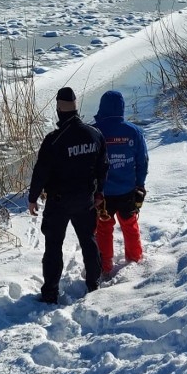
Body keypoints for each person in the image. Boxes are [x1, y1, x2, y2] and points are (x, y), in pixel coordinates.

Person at [28, 87, 109, 304]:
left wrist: (32, 197)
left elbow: (41, 172)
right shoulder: (95, 134)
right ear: (75, 108)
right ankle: (94, 282)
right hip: (86, 200)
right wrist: (100, 192)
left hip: (59, 202)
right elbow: (104, 166)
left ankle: (50, 293)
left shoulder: (54, 140)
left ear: (58, 110)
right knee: (89, 241)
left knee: (53, 246)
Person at [93, 90, 149, 277]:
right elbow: (142, 160)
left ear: (102, 107)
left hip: (103, 194)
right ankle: (135, 259)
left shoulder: (94, 131)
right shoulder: (133, 131)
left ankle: (104, 265)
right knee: (130, 225)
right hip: (127, 190)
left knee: (103, 228)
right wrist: (140, 184)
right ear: (122, 108)